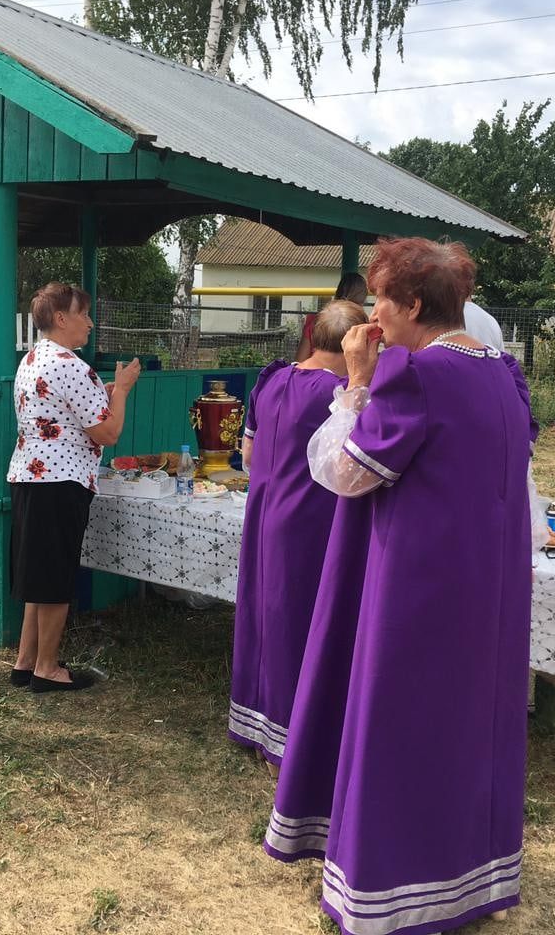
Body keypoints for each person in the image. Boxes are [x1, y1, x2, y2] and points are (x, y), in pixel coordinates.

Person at [264, 238, 534, 934]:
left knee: (405, 730)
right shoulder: (501, 370)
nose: (373, 309)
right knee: (461, 731)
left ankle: (392, 884)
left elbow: (343, 473)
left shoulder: (416, 374)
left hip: (419, 585)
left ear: (413, 305)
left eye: (382, 296)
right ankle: (463, 880)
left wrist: (356, 380)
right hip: (486, 585)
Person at [230, 300, 368, 768]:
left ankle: (254, 720)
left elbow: (247, 456)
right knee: (302, 625)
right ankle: (291, 740)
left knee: (263, 617)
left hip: (264, 514)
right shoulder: (340, 395)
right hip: (311, 520)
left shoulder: (272, 379)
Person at [8, 283, 140, 693]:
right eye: (83, 314)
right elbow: (108, 431)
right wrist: (125, 389)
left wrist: (110, 391)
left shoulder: (32, 359)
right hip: (60, 480)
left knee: (38, 574)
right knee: (56, 575)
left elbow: (73, 409)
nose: (90, 322)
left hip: (30, 475)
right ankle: (47, 668)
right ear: (61, 318)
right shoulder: (71, 365)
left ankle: (26, 661)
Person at [295, 272, 368, 362]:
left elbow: (300, 360)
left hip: (313, 372)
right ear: (362, 298)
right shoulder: (362, 326)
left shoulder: (315, 321)